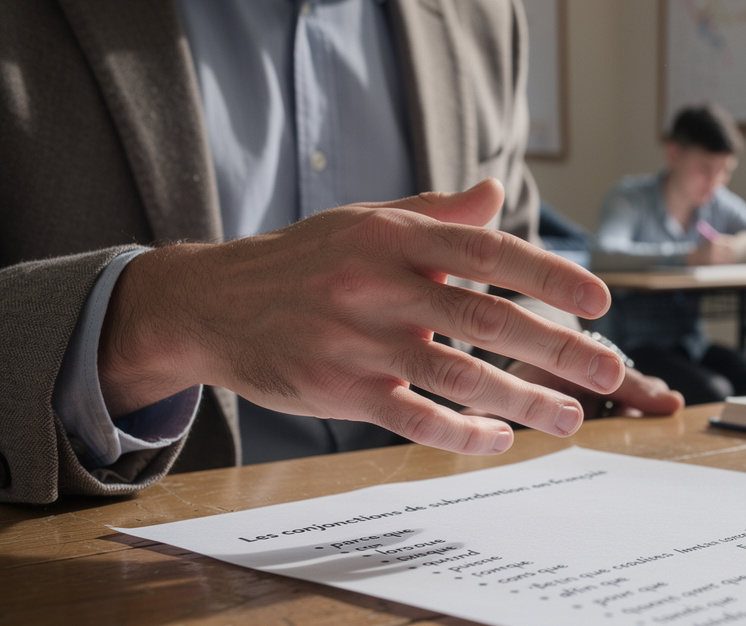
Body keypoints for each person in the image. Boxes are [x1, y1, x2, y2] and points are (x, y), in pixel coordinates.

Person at [0, 0, 681, 505]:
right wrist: (164, 315)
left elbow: (510, 248)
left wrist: (534, 359)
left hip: (442, 533)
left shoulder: (486, 16)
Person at [591, 103, 746, 405]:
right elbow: (604, 254)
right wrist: (687, 257)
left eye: (725, 172)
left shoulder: (718, 203)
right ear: (673, 154)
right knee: (714, 391)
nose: (715, 182)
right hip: (637, 346)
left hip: (691, 345)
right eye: (705, 169)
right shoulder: (630, 199)